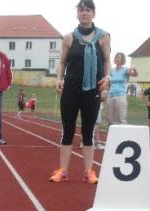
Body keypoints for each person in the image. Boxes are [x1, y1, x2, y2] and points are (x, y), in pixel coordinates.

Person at [49, 0, 111, 184]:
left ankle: (88, 172)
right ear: (77, 14)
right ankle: (63, 170)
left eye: (88, 10)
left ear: (94, 13)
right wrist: (59, 78)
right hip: (71, 89)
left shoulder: (103, 37)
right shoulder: (69, 37)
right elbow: (62, 62)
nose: (84, 13)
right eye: (81, 10)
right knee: (67, 130)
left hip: (92, 90)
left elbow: (107, 61)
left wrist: (107, 77)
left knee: (88, 132)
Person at [106, 52, 137, 127]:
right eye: (116, 57)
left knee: (121, 117)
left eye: (119, 57)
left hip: (121, 95)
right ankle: (109, 132)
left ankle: (122, 132)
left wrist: (134, 69)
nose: (117, 59)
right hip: (111, 95)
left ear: (122, 60)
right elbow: (108, 81)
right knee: (109, 118)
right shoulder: (111, 70)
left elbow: (135, 74)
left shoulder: (125, 69)